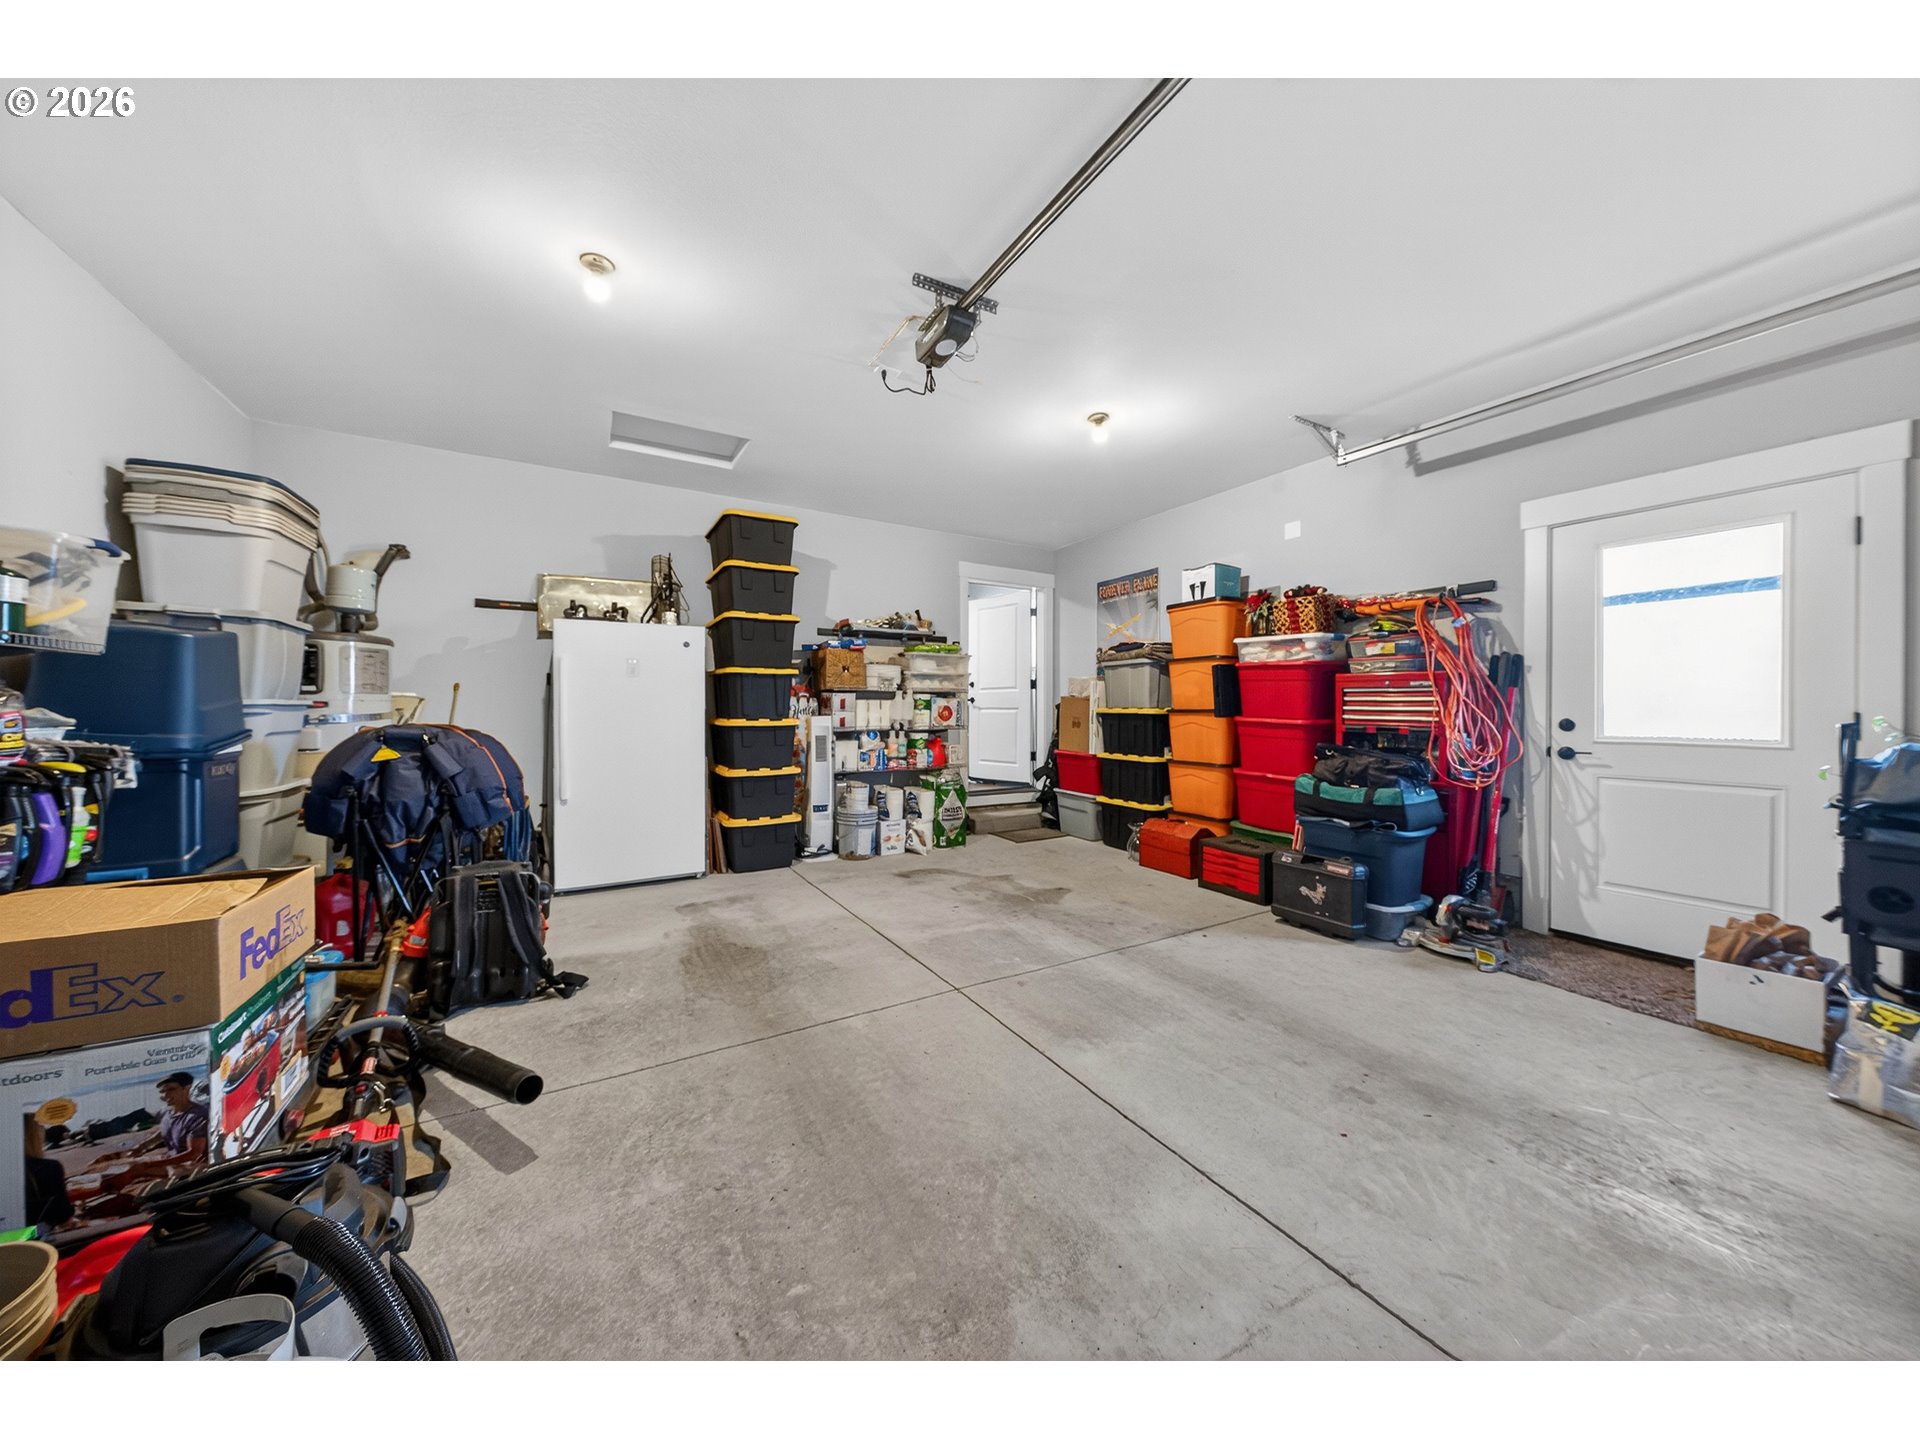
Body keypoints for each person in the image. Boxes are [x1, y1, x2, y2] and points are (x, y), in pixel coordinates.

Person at [108, 1072, 209, 1182]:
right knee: (121, 1167)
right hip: (169, 1160)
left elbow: (193, 1154)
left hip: (191, 1165)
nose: (166, 1095)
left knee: (136, 1172)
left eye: (171, 1089)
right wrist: (141, 1147)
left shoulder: (197, 1116)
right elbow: (164, 1132)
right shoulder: (167, 1113)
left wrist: (150, 1164)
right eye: (163, 1091)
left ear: (186, 1089)